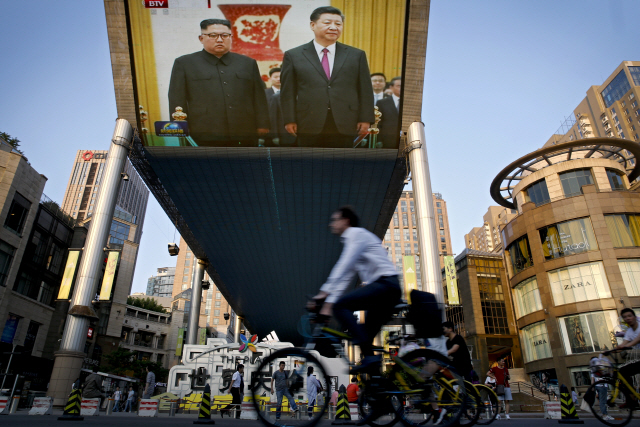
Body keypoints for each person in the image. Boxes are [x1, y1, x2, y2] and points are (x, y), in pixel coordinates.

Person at [309, 206, 401, 373]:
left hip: (386, 286)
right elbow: (346, 277)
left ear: (346, 221)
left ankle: (372, 361)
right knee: (365, 338)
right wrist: (328, 303)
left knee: (341, 307)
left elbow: (344, 265)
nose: (332, 224)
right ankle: (377, 385)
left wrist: (323, 295)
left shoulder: (356, 235)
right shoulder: (355, 239)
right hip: (385, 290)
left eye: (335, 220)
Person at [280, 6, 375, 148]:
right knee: (309, 165)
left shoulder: (356, 55)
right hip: (308, 122)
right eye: (327, 23)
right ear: (313, 25)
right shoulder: (294, 55)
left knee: (341, 166)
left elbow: (365, 89)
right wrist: (289, 120)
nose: (333, 27)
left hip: (345, 122)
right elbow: (288, 92)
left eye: (338, 24)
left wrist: (366, 119)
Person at [168, 19, 269, 147]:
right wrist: (179, 128)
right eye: (213, 35)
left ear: (231, 37)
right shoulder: (185, 63)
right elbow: (177, 98)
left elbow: (259, 96)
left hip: (244, 130)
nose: (220, 40)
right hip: (203, 130)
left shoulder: (247, 63)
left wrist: (263, 124)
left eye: (225, 35)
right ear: (201, 38)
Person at [375, 77, 401, 148]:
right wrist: (379, 140)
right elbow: (378, 123)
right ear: (391, 87)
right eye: (399, 86)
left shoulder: (409, 103)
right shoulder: (382, 103)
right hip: (387, 141)